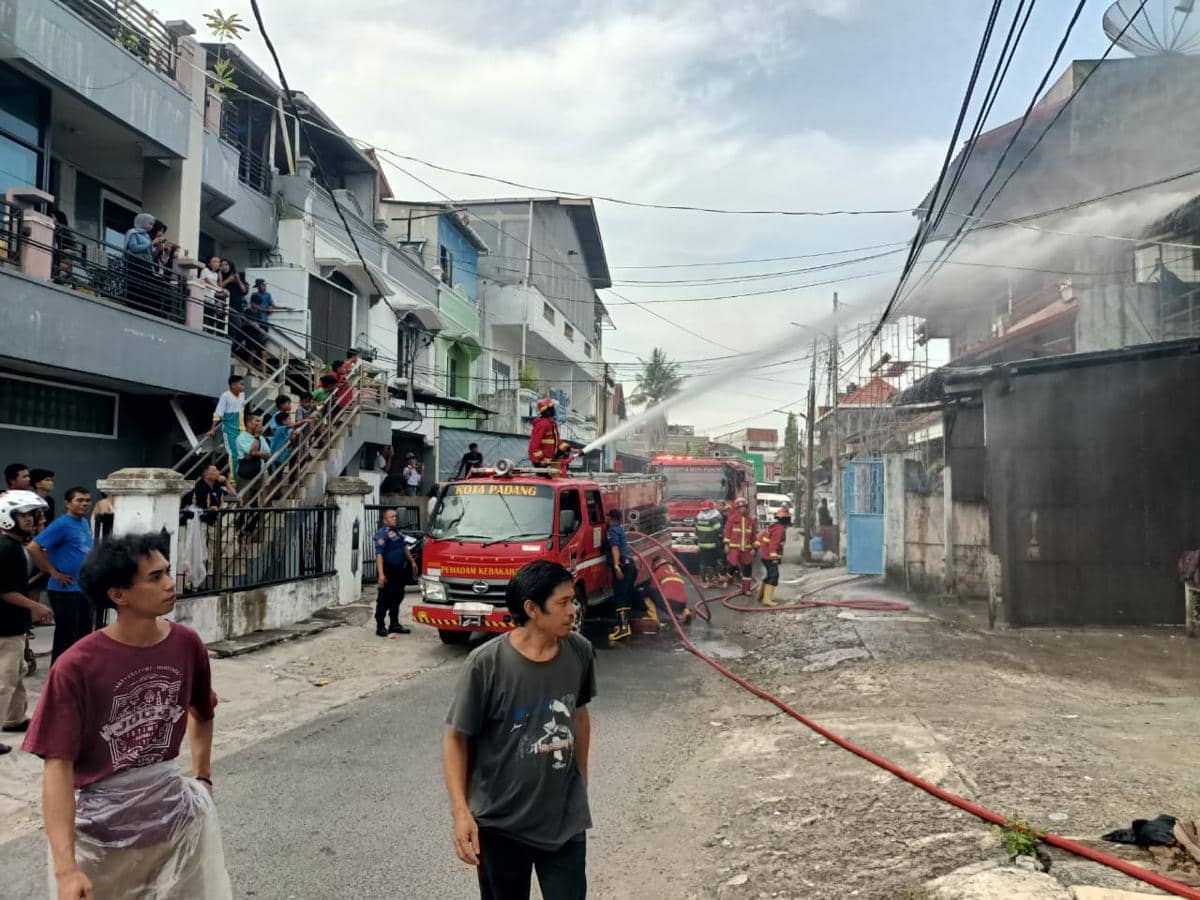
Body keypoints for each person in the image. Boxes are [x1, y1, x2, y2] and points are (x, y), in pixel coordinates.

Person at [23, 532, 232, 899]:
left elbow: (203, 710)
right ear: (118, 595)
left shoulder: (186, 644)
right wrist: (67, 869)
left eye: (167, 571)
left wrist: (203, 777)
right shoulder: (77, 667)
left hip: (176, 822)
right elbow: (57, 768)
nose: (170, 584)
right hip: (101, 837)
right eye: (155, 577)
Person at [443, 559, 594, 900]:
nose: (574, 609)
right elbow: (456, 739)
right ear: (531, 609)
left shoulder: (580, 652)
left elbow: (580, 715)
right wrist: (461, 812)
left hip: (564, 821)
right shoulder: (486, 664)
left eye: (574, 600)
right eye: (563, 602)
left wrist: (580, 781)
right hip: (500, 825)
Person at [0, 492, 55, 755]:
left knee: (18, 672)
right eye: (23, 515)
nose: (29, 520)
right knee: (4, 680)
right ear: (8, 518)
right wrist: (36, 606)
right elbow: (5, 591)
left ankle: (15, 718)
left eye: (30, 515)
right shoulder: (6, 549)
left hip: (14, 625)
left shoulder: (14, 547)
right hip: (4, 626)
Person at [27, 487, 94, 664]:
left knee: (83, 635)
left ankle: (77, 674)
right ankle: (58, 676)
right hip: (64, 589)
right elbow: (34, 547)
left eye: (87, 500)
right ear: (67, 503)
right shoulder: (62, 524)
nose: (84, 503)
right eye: (79, 500)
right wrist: (52, 571)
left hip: (82, 588)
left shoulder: (84, 523)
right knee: (66, 637)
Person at [374, 509, 417, 637]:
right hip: (388, 571)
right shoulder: (382, 534)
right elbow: (379, 555)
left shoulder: (397, 532)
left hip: (399, 571)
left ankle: (394, 624)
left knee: (398, 596)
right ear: (385, 520)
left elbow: (404, 547)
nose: (394, 518)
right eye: (391, 517)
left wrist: (412, 561)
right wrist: (381, 574)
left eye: (395, 516)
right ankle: (380, 626)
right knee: (384, 598)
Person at [605, 509, 635, 643]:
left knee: (620, 597)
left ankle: (623, 629)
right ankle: (622, 626)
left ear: (610, 518)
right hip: (630, 566)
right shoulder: (620, 528)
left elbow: (615, 548)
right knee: (626, 596)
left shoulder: (612, 530)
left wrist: (616, 566)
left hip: (623, 566)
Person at [210, 375, 246, 484]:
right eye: (241, 384)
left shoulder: (242, 395)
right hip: (230, 429)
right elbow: (218, 413)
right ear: (233, 385)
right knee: (233, 454)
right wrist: (213, 428)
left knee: (243, 452)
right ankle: (233, 479)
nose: (243, 387)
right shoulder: (225, 396)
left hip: (241, 428)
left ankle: (240, 475)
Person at [756, 507, 791, 607]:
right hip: (769, 556)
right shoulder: (780, 529)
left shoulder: (775, 526)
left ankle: (762, 596)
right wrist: (774, 558)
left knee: (770, 575)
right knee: (773, 576)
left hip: (765, 555)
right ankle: (767, 599)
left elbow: (761, 537)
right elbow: (774, 544)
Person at [724, 497, 757, 595]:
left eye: (743, 507)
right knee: (733, 565)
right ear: (737, 508)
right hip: (734, 547)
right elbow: (727, 532)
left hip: (746, 548)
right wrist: (726, 544)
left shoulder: (751, 521)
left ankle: (746, 589)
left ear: (746, 508)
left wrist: (754, 548)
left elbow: (753, 536)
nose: (742, 509)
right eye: (740, 508)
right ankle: (727, 580)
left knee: (747, 568)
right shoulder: (732, 518)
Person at [528, 398, 571, 472]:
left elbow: (556, 441)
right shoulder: (542, 425)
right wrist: (541, 460)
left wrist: (567, 448)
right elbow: (533, 447)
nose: (554, 410)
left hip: (550, 463)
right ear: (547, 411)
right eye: (552, 408)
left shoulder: (551, 424)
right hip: (542, 464)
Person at [649, 554, 691, 623]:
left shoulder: (658, 572)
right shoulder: (674, 570)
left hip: (671, 602)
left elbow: (653, 589)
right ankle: (685, 612)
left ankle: (657, 618)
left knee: (649, 592)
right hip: (683, 603)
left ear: (656, 564)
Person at [235, 413, 271, 486]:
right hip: (246, 474)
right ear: (248, 423)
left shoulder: (262, 438)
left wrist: (254, 453)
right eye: (257, 421)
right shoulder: (241, 438)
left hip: (260, 472)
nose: (260, 423)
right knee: (245, 496)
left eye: (260, 421)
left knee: (261, 496)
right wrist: (257, 436)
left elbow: (268, 455)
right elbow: (251, 453)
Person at [694, 499, 724, 585]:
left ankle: (704, 579)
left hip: (702, 544)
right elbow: (719, 530)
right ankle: (711, 579)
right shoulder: (713, 519)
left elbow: (696, 532)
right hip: (712, 544)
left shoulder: (698, 518)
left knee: (704, 561)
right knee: (712, 561)